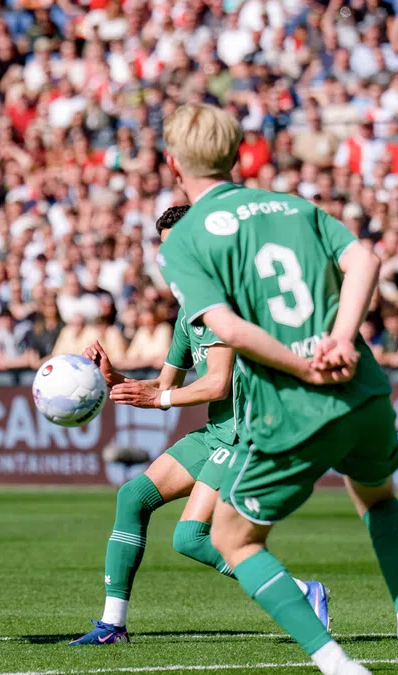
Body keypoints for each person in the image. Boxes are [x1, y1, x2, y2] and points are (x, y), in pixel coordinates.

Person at [157, 103, 398, 675]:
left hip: (292, 405)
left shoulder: (184, 239)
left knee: (233, 538)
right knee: (379, 497)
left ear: (174, 163)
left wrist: (301, 362)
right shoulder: (293, 207)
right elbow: (364, 258)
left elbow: (225, 327)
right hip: (360, 386)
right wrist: (338, 339)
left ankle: (339, 667)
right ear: (237, 154)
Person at [71, 206, 328, 646]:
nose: (169, 259)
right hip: (217, 432)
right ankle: (112, 626)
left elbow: (217, 383)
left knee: (190, 537)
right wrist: (116, 380)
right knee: (132, 496)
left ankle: (301, 593)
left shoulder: (223, 302)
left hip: (247, 433)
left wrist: (161, 397)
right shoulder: (190, 307)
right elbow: (166, 386)